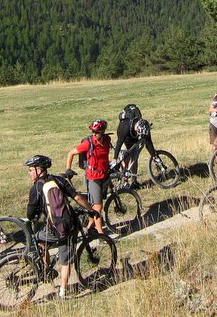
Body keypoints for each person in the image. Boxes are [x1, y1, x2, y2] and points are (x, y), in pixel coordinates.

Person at [25, 154, 98, 299]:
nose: (29, 173)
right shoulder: (59, 180)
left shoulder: (36, 189)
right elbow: (77, 197)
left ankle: (47, 269)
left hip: (51, 229)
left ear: (39, 170)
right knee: (67, 259)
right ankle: (63, 292)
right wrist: (91, 209)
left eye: (30, 170)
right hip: (67, 225)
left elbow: (30, 214)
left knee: (39, 239)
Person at [65, 119, 112, 234]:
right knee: (98, 207)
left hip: (104, 175)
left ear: (103, 131)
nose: (94, 134)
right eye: (93, 132)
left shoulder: (107, 140)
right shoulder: (88, 143)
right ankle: (101, 234)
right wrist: (68, 169)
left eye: (97, 132)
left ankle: (89, 227)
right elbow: (70, 153)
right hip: (93, 178)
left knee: (95, 205)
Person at [113, 104, 158, 189]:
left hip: (134, 138)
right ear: (136, 128)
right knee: (125, 160)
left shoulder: (144, 125)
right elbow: (119, 142)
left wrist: (154, 155)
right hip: (124, 139)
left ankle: (134, 181)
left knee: (135, 159)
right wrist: (115, 158)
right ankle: (125, 182)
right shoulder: (124, 126)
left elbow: (149, 142)